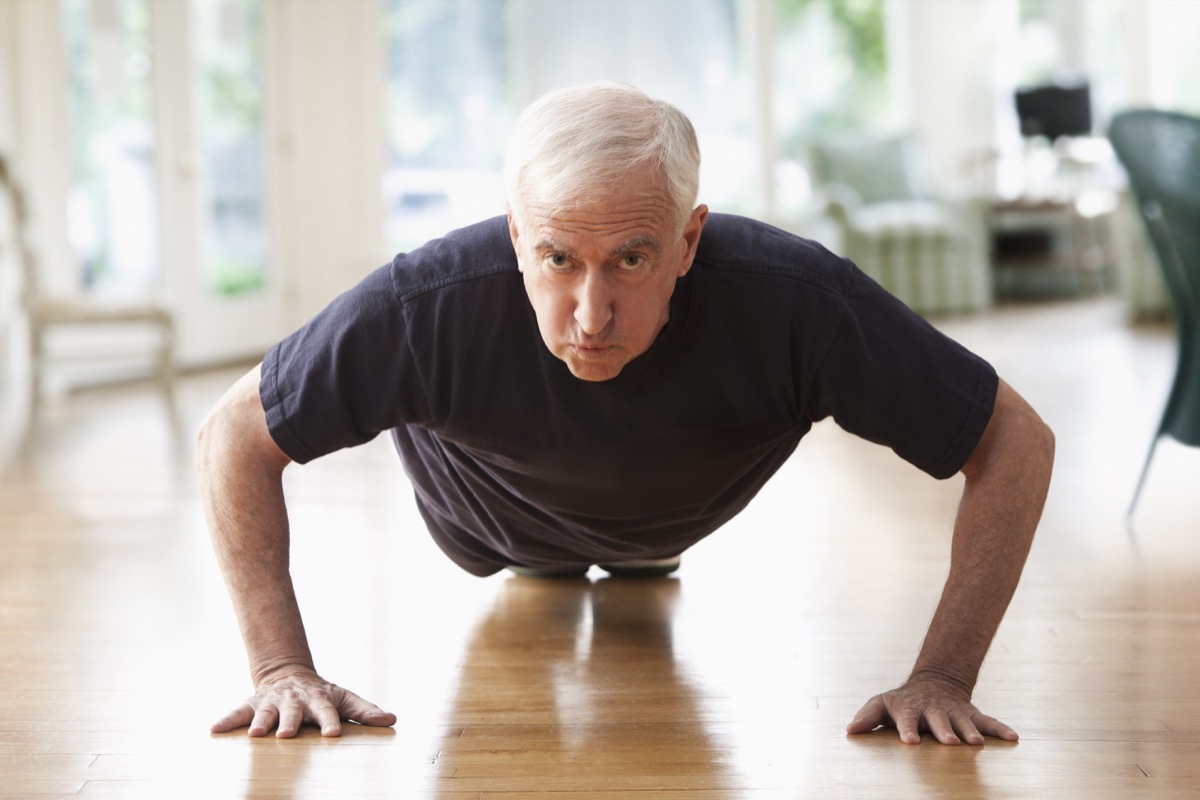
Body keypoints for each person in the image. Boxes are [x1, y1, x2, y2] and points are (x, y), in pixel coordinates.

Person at [197, 82, 1054, 746]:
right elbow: (232, 435)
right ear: (515, 237)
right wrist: (280, 668)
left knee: (643, 553)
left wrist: (944, 676)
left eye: (632, 259)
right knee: (527, 562)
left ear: (689, 241)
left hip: (670, 517)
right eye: (558, 259)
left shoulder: (799, 302)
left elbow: (1016, 439)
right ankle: (554, 560)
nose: (591, 314)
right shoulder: (425, 306)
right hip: (488, 528)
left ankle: (634, 554)